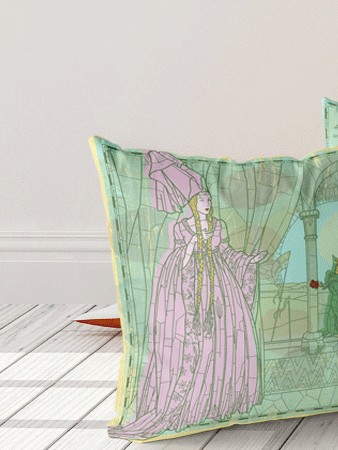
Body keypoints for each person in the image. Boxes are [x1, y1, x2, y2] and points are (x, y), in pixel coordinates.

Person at [112, 188, 266, 439]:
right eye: (202, 199)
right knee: (192, 342)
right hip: (189, 284)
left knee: (222, 339)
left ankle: (214, 402)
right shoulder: (181, 226)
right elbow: (179, 257)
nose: (207, 203)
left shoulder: (218, 225)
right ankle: (185, 403)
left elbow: (225, 251)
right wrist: (192, 245)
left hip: (219, 283)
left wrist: (247, 260)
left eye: (209, 199)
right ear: (192, 202)